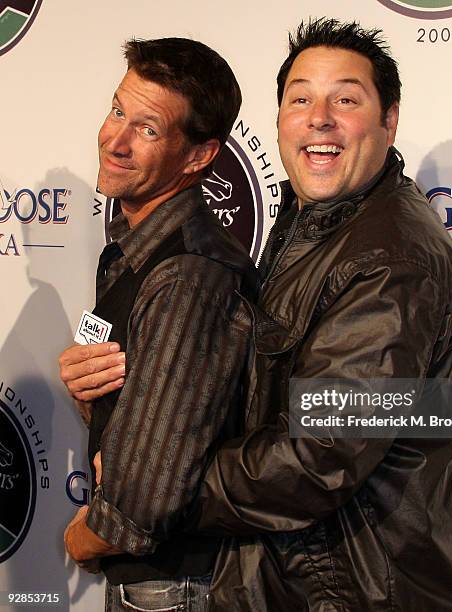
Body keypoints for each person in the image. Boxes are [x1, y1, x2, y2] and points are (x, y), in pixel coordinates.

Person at [60, 19, 452, 611]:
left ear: (390, 119)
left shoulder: (391, 260)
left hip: (363, 591)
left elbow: (319, 454)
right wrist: (116, 399)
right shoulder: (314, 228)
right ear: (280, 118)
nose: (319, 117)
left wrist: (155, 477)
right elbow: (254, 393)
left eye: (345, 98)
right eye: (301, 99)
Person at [60, 37, 257, 611]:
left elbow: (145, 498)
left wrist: (79, 540)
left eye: (147, 129)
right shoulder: (134, 253)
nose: (115, 141)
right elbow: (160, 418)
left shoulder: (189, 275)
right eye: (118, 111)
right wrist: (92, 395)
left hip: (172, 587)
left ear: (197, 157)